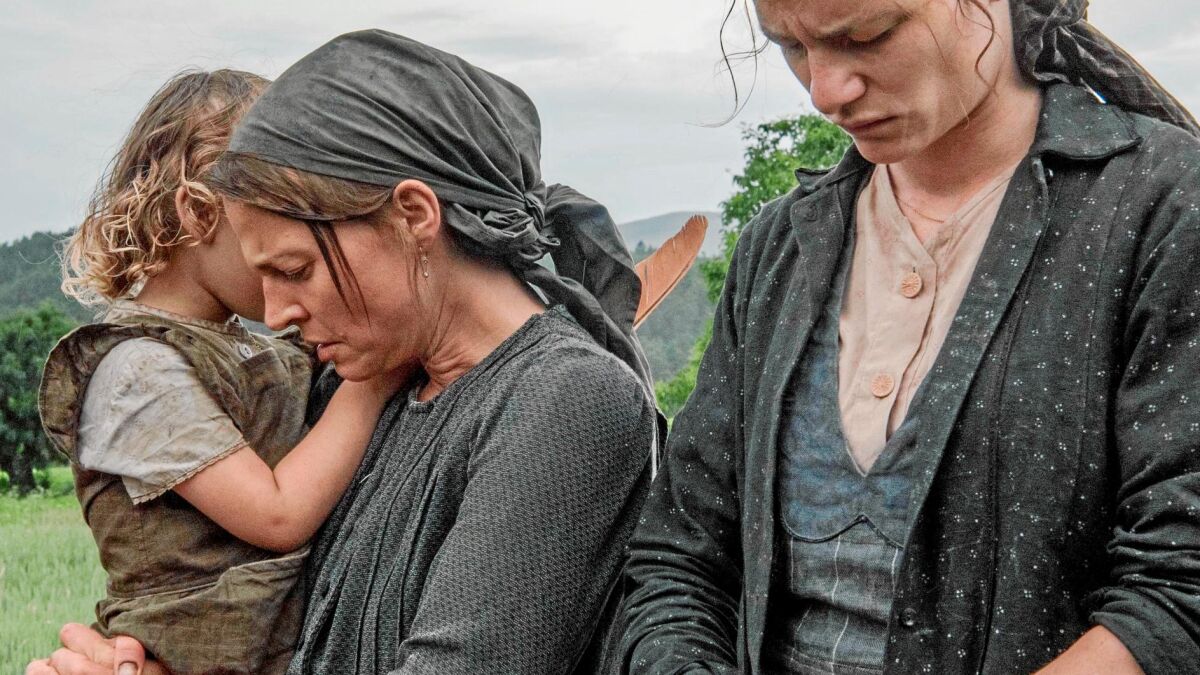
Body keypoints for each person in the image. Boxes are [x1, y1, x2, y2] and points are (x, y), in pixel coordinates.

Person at [29, 29, 658, 675]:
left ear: (413, 215)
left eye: (294, 270)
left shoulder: (565, 401)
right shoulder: (359, 387)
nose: (276, 315)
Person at [619, 1, 1200, 674]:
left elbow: (1178, 588)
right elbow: (680, 557)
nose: (825, 92)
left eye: (868, 35)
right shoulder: (778, 250)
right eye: (791, 47)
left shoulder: (1162, 213)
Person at [37, 69, 402, 675]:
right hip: (198, 652)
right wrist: (375, 378)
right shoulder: (136, 370)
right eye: (272, 232)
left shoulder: (248, 345)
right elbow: (276, 515)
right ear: (200, 213)